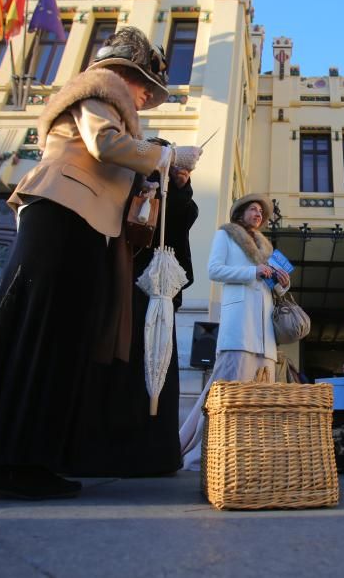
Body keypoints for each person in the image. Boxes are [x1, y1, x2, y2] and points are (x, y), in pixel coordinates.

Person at [0, 27, 203, 500]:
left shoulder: (107, 95)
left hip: (74, 218)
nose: (145, 99)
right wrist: (168, 154)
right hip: (65, 215)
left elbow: (110, 163)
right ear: (127, 74)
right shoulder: (101, 88)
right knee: (46, 337)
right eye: (146, 89)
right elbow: (105, 146)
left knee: (40, 336)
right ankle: (15, 465)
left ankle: (0, 461)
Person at [62, 164, 199, 478]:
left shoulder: (174, 200)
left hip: (154, 295)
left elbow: (181, 216)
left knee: (153, 367)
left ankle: (146, 453)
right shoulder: (124, 192)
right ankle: (101, 448)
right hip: (118, 292)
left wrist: (177, 185)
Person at [177, 194, 290, 471]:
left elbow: (269, 286)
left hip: (265, 334)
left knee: (261, 402)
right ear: (240, 213)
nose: (258, 214)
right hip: (239, 329)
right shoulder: (225, 236)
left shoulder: (266, 246)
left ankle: (250, 458)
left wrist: (281, 284)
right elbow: (214, 270)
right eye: (253, 209)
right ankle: (198, 454)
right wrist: (253, 272)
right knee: (223, 397)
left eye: (261, 212)